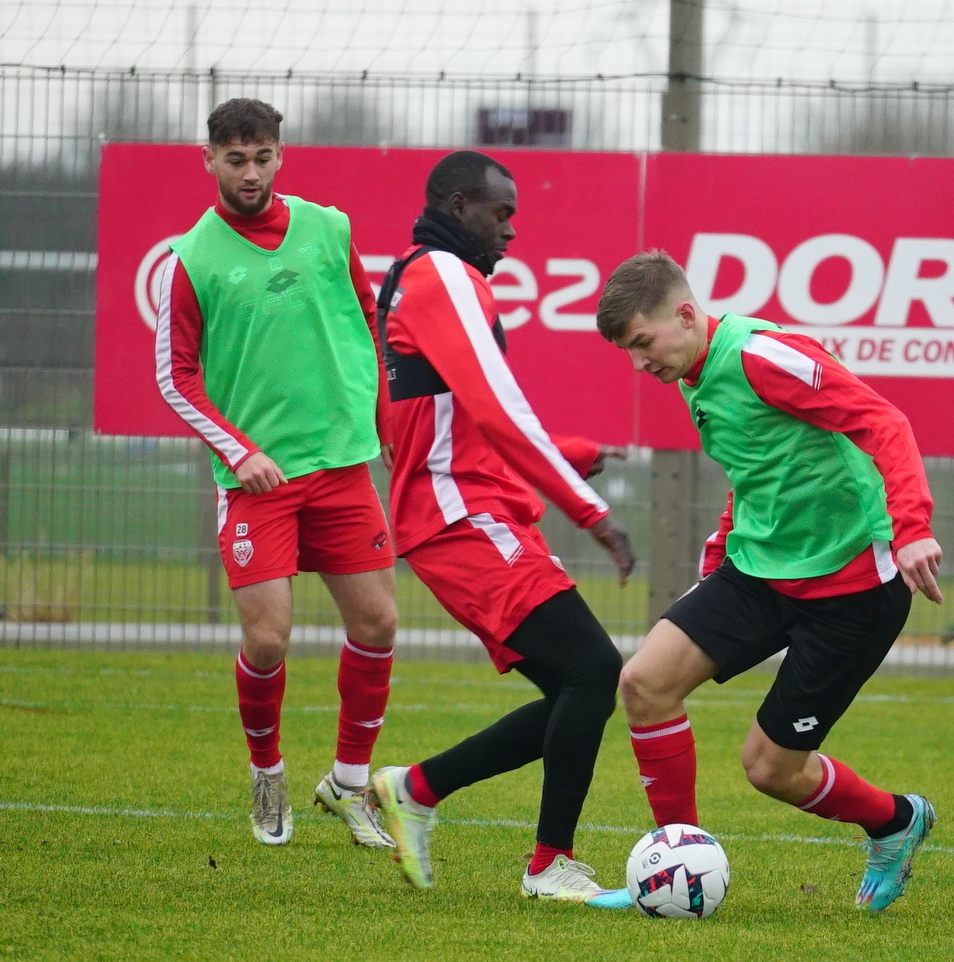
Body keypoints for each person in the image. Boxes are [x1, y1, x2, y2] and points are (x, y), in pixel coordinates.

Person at [593, 251, 944, 913]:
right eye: (628, 352)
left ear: (688, 316)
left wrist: (912, 524)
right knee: (644, 683)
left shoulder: (764, 355)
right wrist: (724, 540)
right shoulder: (694, 374)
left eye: (644, 343)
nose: (640, 364)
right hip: (759, 573)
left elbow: (883, 422)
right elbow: (759, 461)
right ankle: (676, 871)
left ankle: (896, 821)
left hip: (853, 589)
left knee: (771, 769)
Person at [365, 150, 636, 908]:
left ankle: (418, 788)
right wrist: (592, 514)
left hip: (465, 512)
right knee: (592, 669)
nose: (512, 229)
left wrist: (572, 457)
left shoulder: (427, 278)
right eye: (501, 212)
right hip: (461, 518)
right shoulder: (444, 278)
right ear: (458, 207)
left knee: (575, 687)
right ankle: (550, 866)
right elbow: (493, 409)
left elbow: (454, 417)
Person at [155, 98, 399, 849]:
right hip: (257, 483)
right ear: (210, 162)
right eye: (236, 160)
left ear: (279, 155)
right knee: (270, 641)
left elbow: (368, 329)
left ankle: (350, 784)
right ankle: (268, 773)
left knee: (380, 623)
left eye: (263, 157)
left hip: (341, 467)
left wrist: (387, 431)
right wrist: (240, 451)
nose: (251, 172)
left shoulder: (330, 228)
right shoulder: (190, 259)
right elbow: (174, 378)